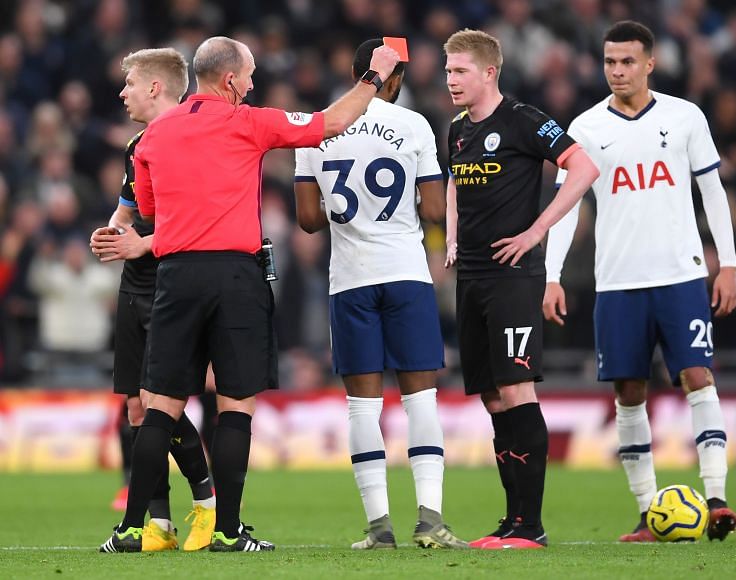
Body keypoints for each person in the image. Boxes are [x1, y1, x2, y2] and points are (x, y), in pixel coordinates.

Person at [99, 35, 400, 553]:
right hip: (236, 276)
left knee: (161, 407)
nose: (255, 82)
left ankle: (131, 529)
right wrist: (373, 77)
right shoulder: (251, 121)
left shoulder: (153, 136)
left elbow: (148, 209)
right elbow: (330, 123)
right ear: (231, 80)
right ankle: (227, 531)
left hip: (174, 276)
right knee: (236, 404)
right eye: (251, 74)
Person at [543, 20, 736, 542]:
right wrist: (552, 275)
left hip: (680, 276)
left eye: (627, 62)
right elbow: (565, 208)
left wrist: (729, 264)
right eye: (610, 62)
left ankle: (717, 498)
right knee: (628, 393)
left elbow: (712, 192)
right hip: (617, 284)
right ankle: (650, 513)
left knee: (698, 376)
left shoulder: (684, 117)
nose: (617, 71)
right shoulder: (585, 129)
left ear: (649, 63)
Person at [294, 38, 467, 551]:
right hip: (407, 274)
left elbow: (306, 221)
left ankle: (378, 528)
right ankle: (431, 521)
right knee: (421, 399)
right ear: (392, 80)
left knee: (362, 409)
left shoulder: (316, 126)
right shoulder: (413, 125)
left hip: (350, 278)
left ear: (353, 73)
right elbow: (435, 211)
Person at [443, 29, 599, 550]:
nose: (450, 80)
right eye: (447, 70)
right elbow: (453, 180)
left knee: (516, 390)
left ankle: (531, 525)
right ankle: (510, 523)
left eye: (460, 70)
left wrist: (536, 232)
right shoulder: (457, 130)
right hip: (472, 277)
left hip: (514, 277)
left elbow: (584, 168)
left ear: (490, 72)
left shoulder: (525, 120)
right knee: (491, 398)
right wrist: (452, 236)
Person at [90, 47, 216, 552]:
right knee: (138, 408)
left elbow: (200, 216)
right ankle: (159, 525)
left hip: (175, 278)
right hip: (135, 283)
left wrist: (142, 241)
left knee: (164, 404)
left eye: (130, 84)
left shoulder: (194, 140)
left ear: (156, 88)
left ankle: (206, 503)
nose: (122, 93)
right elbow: (126, 209)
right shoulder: (137, 144)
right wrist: (110, 233)